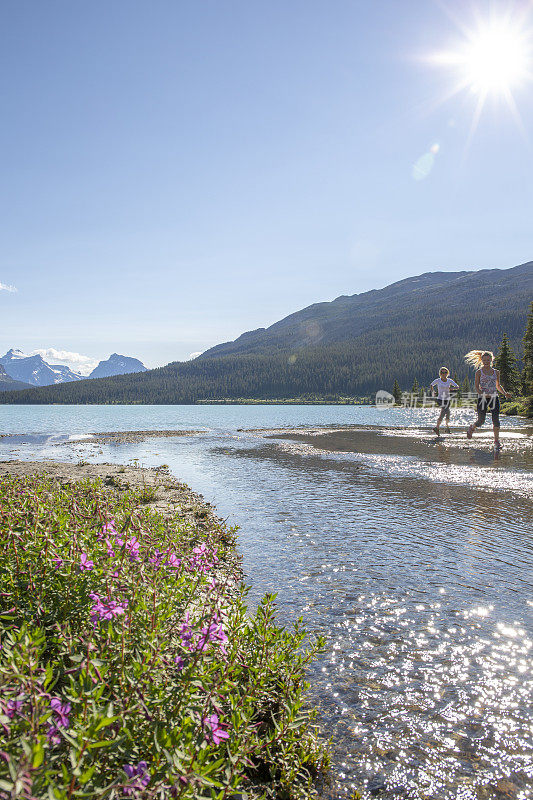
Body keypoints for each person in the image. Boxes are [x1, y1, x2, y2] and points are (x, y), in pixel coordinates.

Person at [465, 350, 512, 449]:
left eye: (488, 360)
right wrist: (482, 394)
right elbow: (477, 387)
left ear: (491, 360)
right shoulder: (479, 372)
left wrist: (505, 393)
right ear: (482, 360)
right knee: (481, 421)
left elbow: (498, 386)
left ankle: (496, 441)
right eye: (484, 360)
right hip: (482, 399)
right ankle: (472, 428)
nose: (486, 361)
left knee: (496, 420)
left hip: (494, 398)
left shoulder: (496, 372)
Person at [430, 367, 458, 434]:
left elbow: (457, 386)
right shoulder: (438, 380)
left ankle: (442, 427)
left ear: (447, 373)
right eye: (442, 372)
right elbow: (431, 385)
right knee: (444, 411)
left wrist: (452, 388)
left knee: (447, 413)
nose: (444, 374)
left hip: (447, 400)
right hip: (440, 399)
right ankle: (441, 428)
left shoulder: (449, 380)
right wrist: (433, 391)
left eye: (445, 372)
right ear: (440, 373)